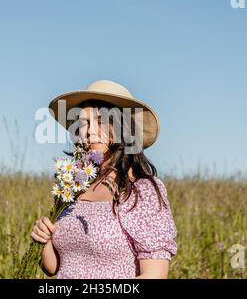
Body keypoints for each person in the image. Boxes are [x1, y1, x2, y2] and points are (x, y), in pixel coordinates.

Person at [31, 79, 177, 278]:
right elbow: (55, 268)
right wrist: (44, 240)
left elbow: (155, 275)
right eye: (83, 123)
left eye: (100, 121)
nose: (89, 131)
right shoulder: (75, 184)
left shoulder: (141, 191)